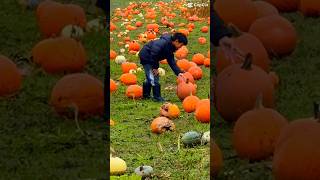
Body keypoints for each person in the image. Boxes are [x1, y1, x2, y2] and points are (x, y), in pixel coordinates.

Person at [139, 32, 187, 102]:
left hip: (151, 57)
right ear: (176, 41)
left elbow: (171, 61)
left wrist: (178, 72)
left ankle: (146, 95)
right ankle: (157, 97)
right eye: (181, 45)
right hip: (146, 57)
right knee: (154, 77)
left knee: (149, 76)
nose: (180, 47)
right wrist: (155, 67)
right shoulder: (163, 42)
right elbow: (154, 53)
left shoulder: (170, 46)